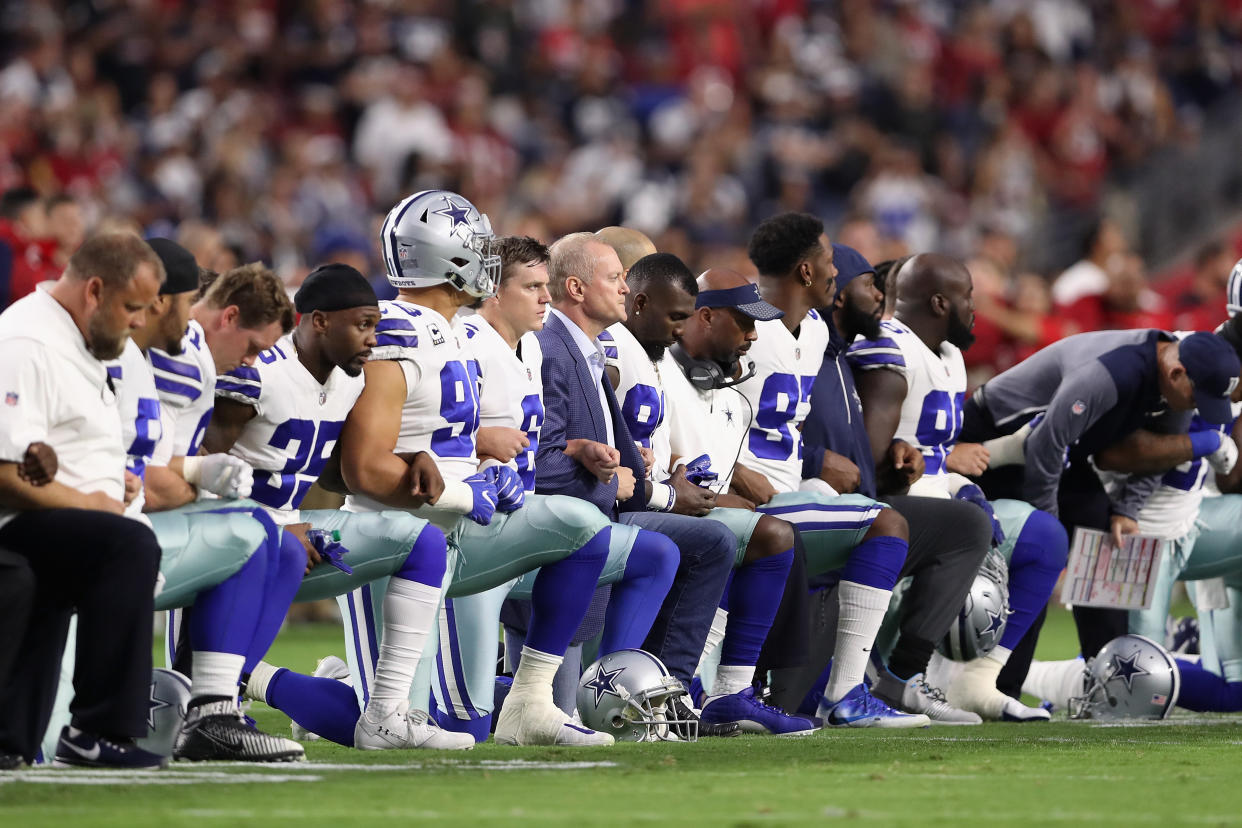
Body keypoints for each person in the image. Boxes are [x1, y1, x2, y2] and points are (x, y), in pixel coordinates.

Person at [337, 190, 620, 747]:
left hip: (455, 534)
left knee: (582, 528)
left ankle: (531, 699)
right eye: (480, 250)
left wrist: (482, 457)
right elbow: (365, 470)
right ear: (451, 258)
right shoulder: (397, 329)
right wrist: (465, 493)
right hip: (395, 536)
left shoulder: (453, 329)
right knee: (389, 722)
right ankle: (264, 682)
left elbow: (436, 433)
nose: (490, 263)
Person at [424, 234, 678, 741]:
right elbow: (423, 433)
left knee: (597, 534)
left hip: (511, 525)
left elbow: (539, 447)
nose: (546, 297)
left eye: (546, 284)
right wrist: (478, 438)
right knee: (458, 724)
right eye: (534, 286)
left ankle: (547, 696)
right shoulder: (466, 343)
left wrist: (580, 449)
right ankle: (293, 683)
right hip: (464, 528)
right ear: (493, 290)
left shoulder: (531, 351)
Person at [208, 264, 469, 752]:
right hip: (228, 535)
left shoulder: (348, 381)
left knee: (423, 541)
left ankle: (387, 712)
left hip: (293, 531)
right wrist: (266, 527)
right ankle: (215, 690)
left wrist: (413, 457)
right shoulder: (260, 371)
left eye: (374, 325)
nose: (373, 339)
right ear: (319, 321)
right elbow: (202, 472)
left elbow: (328, 469)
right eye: (363, 325)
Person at [606, 252, 819, 736]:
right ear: (705, 316)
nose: (753, 336)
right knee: (761, 534)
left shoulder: (729, 397)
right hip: (636, 508)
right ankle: (713, 690)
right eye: (744, 323)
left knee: (752, 533)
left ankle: (723, 691)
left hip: (670, 511)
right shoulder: (647, 364)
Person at [535, 231, 740, 735]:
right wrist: (619, 480)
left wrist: (638, 473)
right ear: (578, 288)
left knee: (664, 552)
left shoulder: (591, 350)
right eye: (617, 278)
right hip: (537, 513)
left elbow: (621, 454)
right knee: (497, 710)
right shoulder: (555, 347)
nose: (626, 288)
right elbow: (540, 461)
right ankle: (623, 690)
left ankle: (638, 689)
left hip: (587, 509)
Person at [109, 242, 305, 761]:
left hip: (126, 507)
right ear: (229, 315)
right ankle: (213, 711)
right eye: (254, 345)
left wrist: (193, 474)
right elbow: (151, 482)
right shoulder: (181, 353)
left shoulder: (189, 348)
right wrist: (199, 476)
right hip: (118, 516)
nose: (253, 360)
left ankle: (218, 702)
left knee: (279, 544)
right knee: (261, 533)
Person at [849, 253, 1066, 721]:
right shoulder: (888, 346)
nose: (976, 309)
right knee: (966, 532)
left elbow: (936, 450)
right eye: (968, 297)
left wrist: (955, 475)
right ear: (941, 301)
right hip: (893, 507)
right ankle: (897, 673)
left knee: (1042, 537)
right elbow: (870, 454)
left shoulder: (950, 356)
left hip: (938, 498)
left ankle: (974, 681)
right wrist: (948, 466)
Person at [730, 212, 925, 728]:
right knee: (886, 523)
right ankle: (844, 693)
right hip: (738, 500)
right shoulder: (740, 318)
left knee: (843, 507)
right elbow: (690, 400)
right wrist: (728, 473)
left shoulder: (815, 330)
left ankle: (815, 685)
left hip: (790, 492)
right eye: (829, 260)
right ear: (805, 271)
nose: (836, 272)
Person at [960, 317, 1240, 667]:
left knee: (1106, 537)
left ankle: (1107, 671)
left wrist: (1128, 510)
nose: (1198, 407)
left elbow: (1163, 451)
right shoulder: (1111, 372)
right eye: (1199, 397)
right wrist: (1051, 527)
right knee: (1040, 551)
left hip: (1062, 455)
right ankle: (1001, 680)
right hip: (993, 440)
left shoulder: (1176, 382)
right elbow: (1045, 444)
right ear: (1175, 374)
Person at [790, 243, 991, 724]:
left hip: (862, 501)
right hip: (811, 506)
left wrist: (909, 462)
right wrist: (821, 461)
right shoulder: (841, 348)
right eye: (869, 286)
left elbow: (863, 453)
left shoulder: (836, 353)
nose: (881, 297)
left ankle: (891, 676)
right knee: (933, 528)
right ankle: (872, 676)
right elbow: (772, 435)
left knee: (972, 528)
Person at [0, 232, 165, 769]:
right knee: (128, 546)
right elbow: (5, 473)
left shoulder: (76, 337)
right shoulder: (27, 342)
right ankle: (101, 729)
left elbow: (56, 441)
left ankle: (12, 742)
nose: (140, 322)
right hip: (17, 518)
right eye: (132, 307)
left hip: (49, 519)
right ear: (94, 290)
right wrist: (91, 503)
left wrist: (110, 478)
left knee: (49, 584)